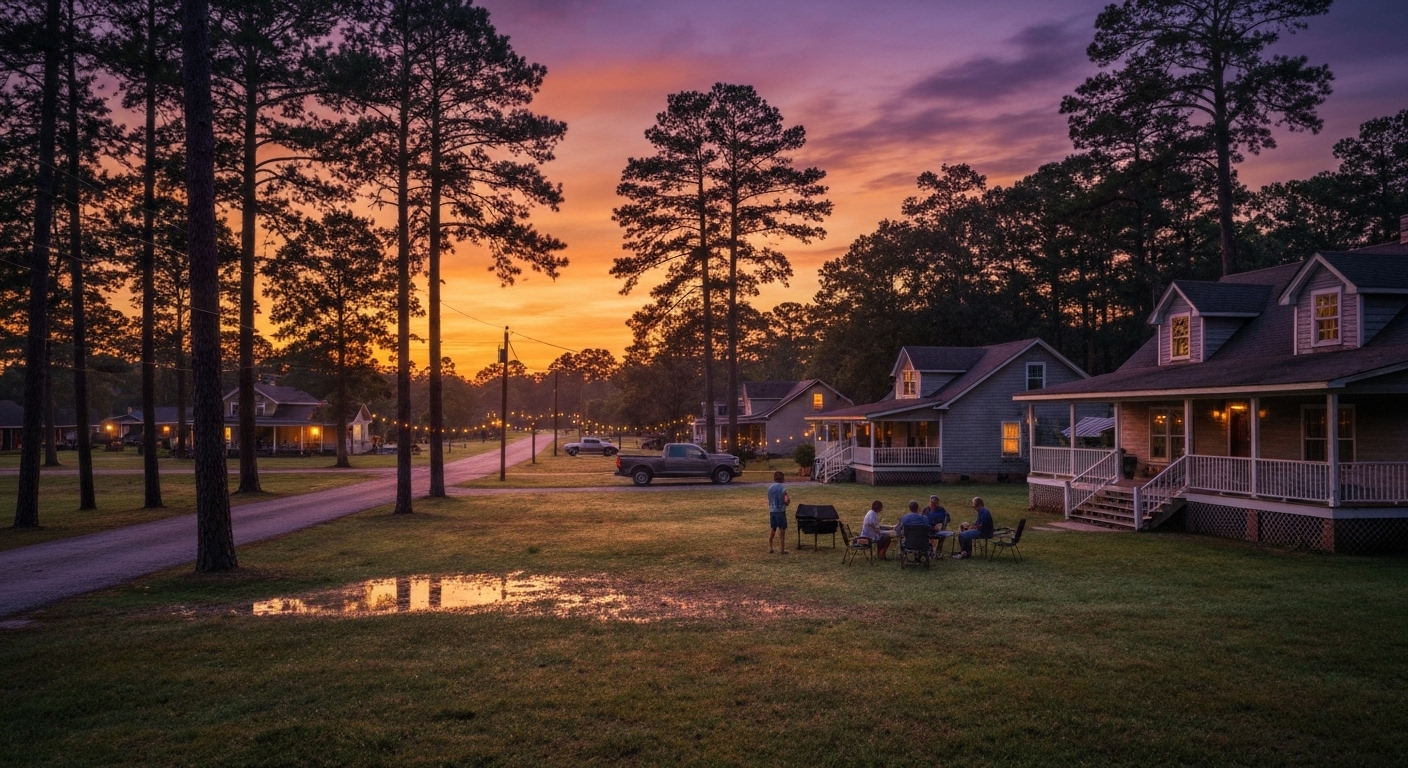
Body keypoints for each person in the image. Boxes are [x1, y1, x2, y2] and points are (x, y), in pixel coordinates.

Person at [767, 471, 791, 554]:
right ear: (783, 479)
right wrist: (788, 501)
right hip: (780, 511)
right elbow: (786, 501)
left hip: (772, 511)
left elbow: (769, 500)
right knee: (782, 531)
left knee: (773, 529)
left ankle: (770, 547)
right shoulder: (782, 488)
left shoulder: (770, 488)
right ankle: (782, 549)